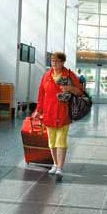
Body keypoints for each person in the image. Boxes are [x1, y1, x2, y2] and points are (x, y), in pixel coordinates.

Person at [33, 52, 83, 181]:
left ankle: (60, 167)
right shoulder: (46, 76)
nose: (54, 63)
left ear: (62, 62)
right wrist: (38, 110)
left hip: (63, 112)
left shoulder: (69, 75)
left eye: (56, 61)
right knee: (51, 141)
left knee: (61, 140)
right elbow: (41, 94)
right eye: (52, 61)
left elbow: (79, 91)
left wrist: (69, 88)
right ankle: (55, 164)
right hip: (49, 112)